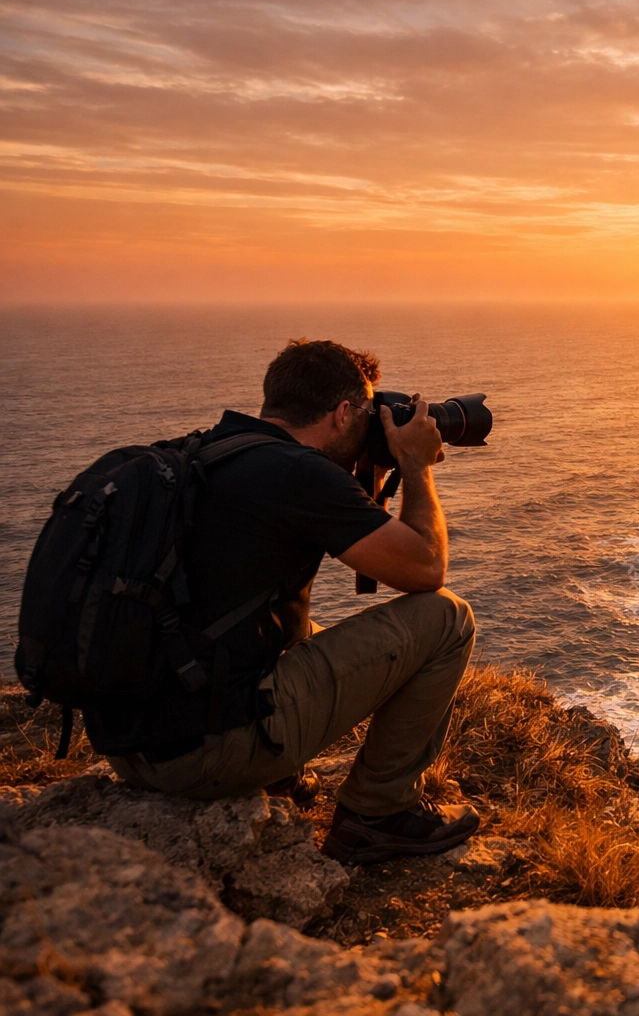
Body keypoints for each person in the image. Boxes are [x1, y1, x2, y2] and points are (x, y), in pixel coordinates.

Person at [99, 339, 481, 863]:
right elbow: (425, 569)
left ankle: (279, 774)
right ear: (344, 413)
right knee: (446, 618)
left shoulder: (206, 451)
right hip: (205, 756)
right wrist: (415, 465)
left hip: (132, 745)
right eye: (367, 415)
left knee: (286, 622)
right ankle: (379, 813)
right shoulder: (298, 474)